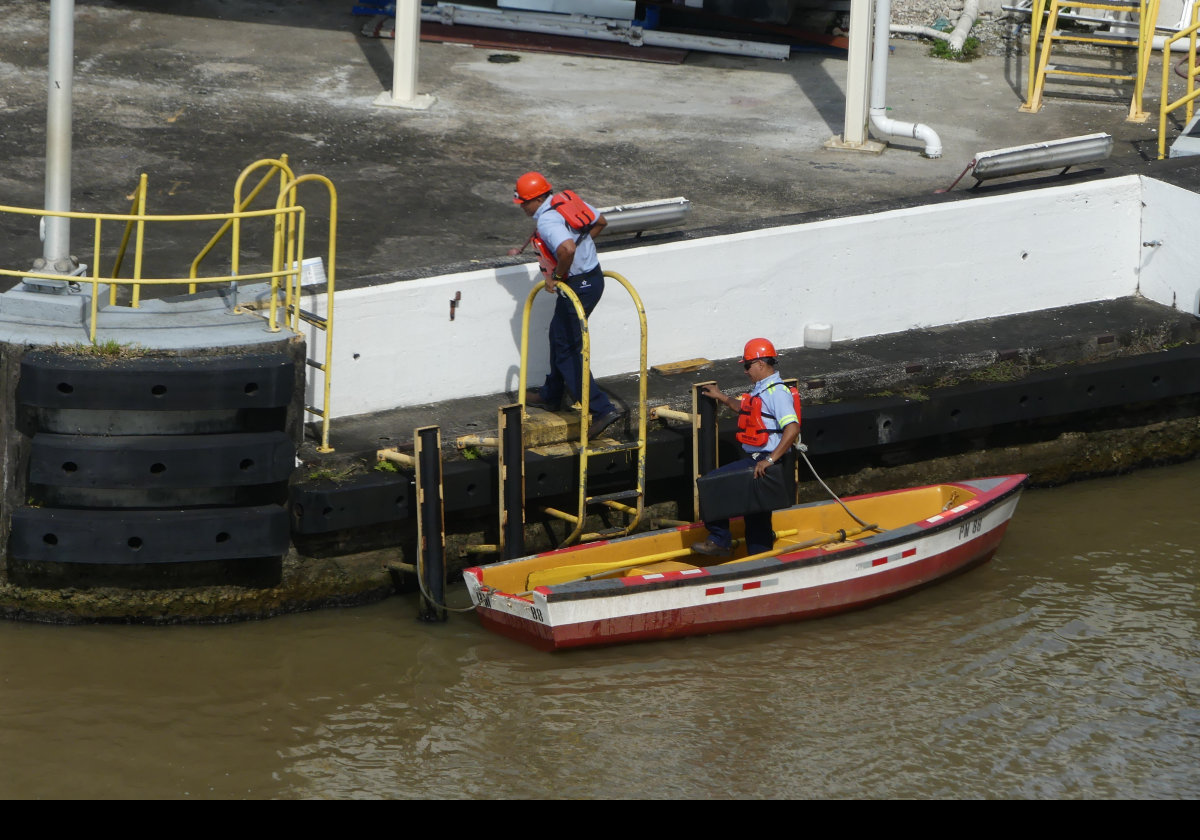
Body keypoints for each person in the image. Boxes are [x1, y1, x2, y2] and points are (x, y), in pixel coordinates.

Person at [510, 171, 623, 439]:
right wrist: (583, 250)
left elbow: (567, 250)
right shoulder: (565, 201)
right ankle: (552, 394)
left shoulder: (548, 220)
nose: (523, 207)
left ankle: (601, 408)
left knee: (568, 349)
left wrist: (558, 276)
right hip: (591, 279)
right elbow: (600, 222)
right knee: (558, 336)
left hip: (578, 285)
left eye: (524, 202)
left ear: (536, 199)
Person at [691, 337, 801, 559]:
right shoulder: (762, 390)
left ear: (761, 363)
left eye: (747, 365)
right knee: (757, 514)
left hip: (763, 461)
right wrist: (721, 396)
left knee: (713, 484)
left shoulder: (777, 393)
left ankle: (719, 540)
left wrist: (770, 460)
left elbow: (793, 428)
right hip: (760, 460)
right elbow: (745, 408)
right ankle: (760, 559)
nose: (745, 371)